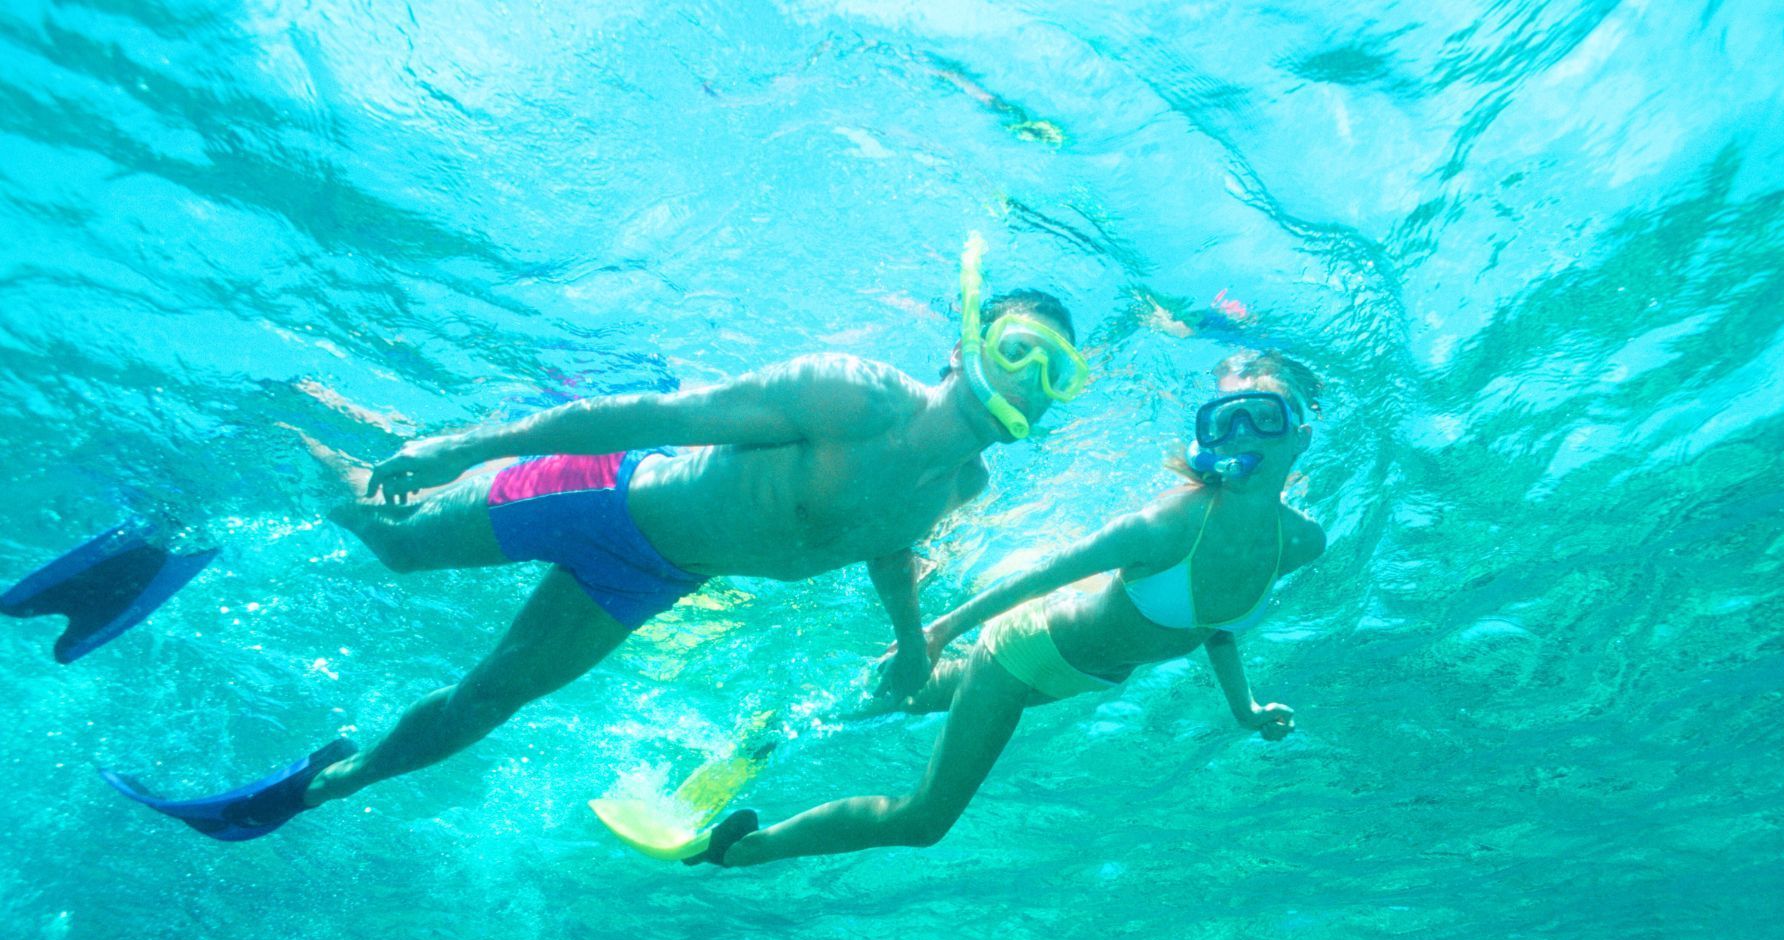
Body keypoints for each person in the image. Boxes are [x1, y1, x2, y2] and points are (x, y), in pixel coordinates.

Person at [101, 237, 1088, 842]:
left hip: (655, 573)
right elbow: (649, 416)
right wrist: (465, 444)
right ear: (964, 343)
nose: (1025, 383)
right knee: (389, 537)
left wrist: (913, 641)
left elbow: (885, 548)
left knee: (490, 700)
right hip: (600, 493)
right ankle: (279, 419)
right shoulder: (851, 393)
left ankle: (319, 785)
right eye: (1015, 352)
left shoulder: (965, 484)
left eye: (1054, 375)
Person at [695, 351, 1327, 868]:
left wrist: (1244, 708)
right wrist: (937, 631)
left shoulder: (1299, 543)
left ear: (1298, 438)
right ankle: (744, 850)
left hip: (1074, 677)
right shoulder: (1170, 524)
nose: (1241, 433)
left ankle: (776, 728)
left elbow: (1215, 625)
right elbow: (1044, 573)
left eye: (1261, 417)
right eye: (1225, 420)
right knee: (924, 821)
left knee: (894, 699)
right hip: (1021, 654)